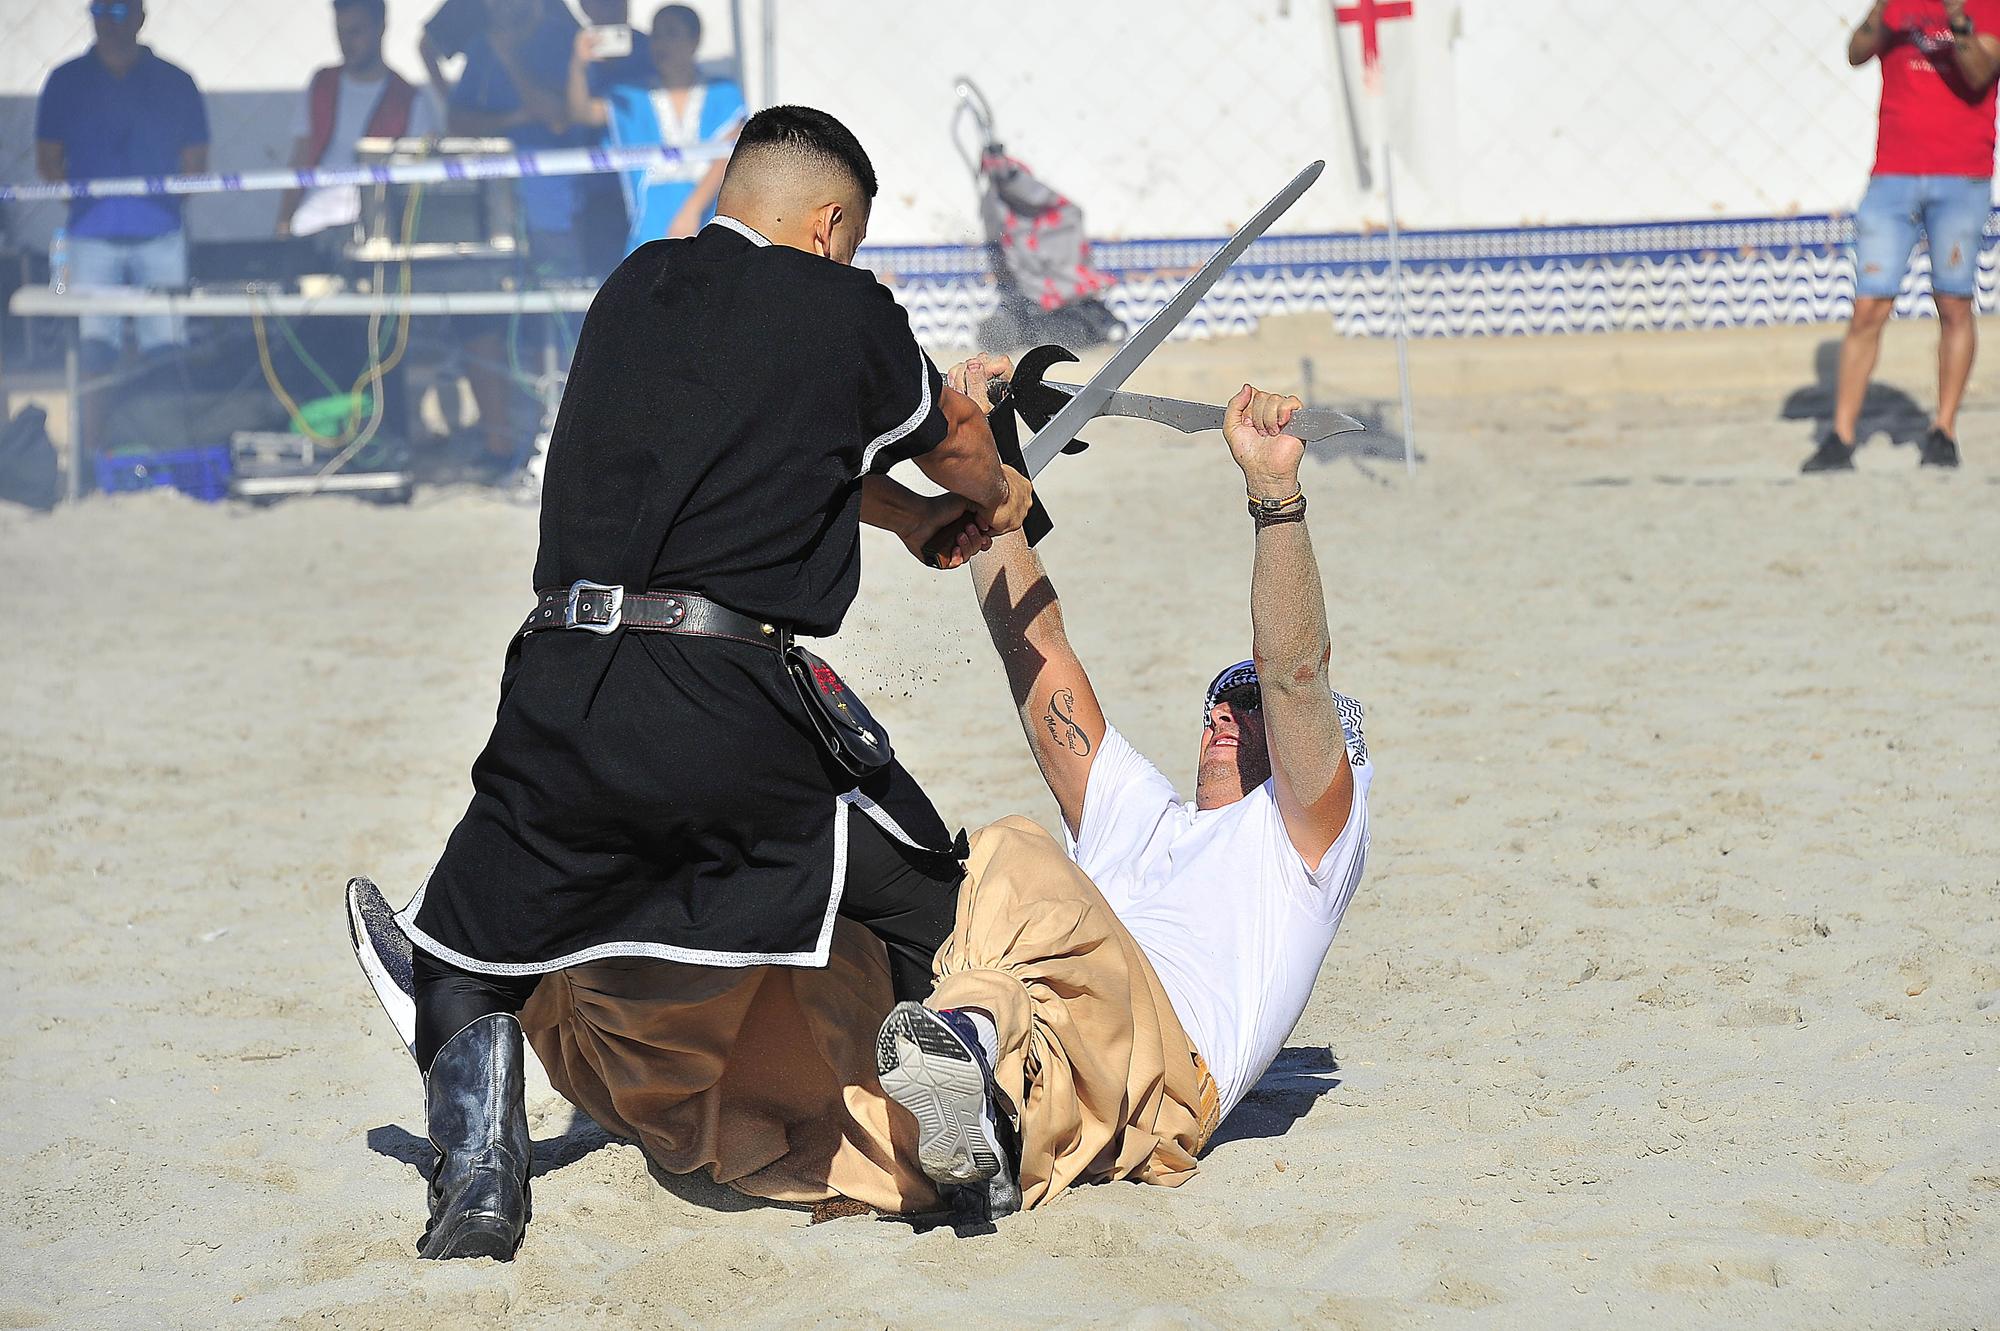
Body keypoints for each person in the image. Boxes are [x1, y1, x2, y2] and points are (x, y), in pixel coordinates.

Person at [415, 375, 1373, 1221]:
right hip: (1007, 1029)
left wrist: (1275, 497)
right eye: (1220, 697)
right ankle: (499, 987)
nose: (1225, 713)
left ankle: (970, 1049)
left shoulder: (1300, 851)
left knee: (1012, 854)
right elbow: (1038, 670)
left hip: (1144, 1071)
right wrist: (988, 487)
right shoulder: (1143, 813)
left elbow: (1295, 673)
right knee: (781, 1007)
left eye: (1244, 707)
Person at [386, 104, 1029, 1261]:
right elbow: (956, 441)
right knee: (927, 891)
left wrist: (901, 522)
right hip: (729, 707)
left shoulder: (633, 287)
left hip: (560, 691)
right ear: (830, 225)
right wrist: (989, 496)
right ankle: (962, 1098)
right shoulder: (849, 308)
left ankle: (481, 1170)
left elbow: (765, 455)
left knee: (456, 958)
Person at [1803, 0, 2000, 473]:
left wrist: (1956, 18)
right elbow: (1855, 52)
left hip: (1962, 176)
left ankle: (1943, 430)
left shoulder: (1986, 6)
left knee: (1953, 302)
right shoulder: (1897, 5)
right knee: (1869, 304)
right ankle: (1841, 436)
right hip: (1892, 176)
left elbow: (1979, 74)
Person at [33, 0, 209, 371]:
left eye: (118, 13)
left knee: (167, 352)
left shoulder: (177, 81)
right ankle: (95, 431)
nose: (108, 24)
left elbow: (195, 164)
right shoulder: (65, 80)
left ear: (140, 18)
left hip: (161, 237)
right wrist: (88, 207)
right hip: (89, 240)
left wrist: (160, 207)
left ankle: (165, 428)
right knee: (93, 352)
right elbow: (47, 160)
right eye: (99, 13)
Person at [567, 4, 747, 256]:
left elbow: (727, 157)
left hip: (709, 226)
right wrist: (578, 64)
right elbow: (582, 112)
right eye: (656, 35)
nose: (661, 43)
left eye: (671, 34)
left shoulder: (724, 94)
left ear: (694, 41)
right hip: (649, 232)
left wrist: (692, 211)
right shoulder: (631, 96)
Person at [277, 0, 443, 241]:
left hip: (375, 232)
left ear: (380, 27)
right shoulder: (320, 84)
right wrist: (283, 224)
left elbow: (419, 185)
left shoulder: (410, 100)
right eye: (340, 32)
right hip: (309, 228)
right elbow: (300, 158)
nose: (346, 42)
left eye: (355, 32)